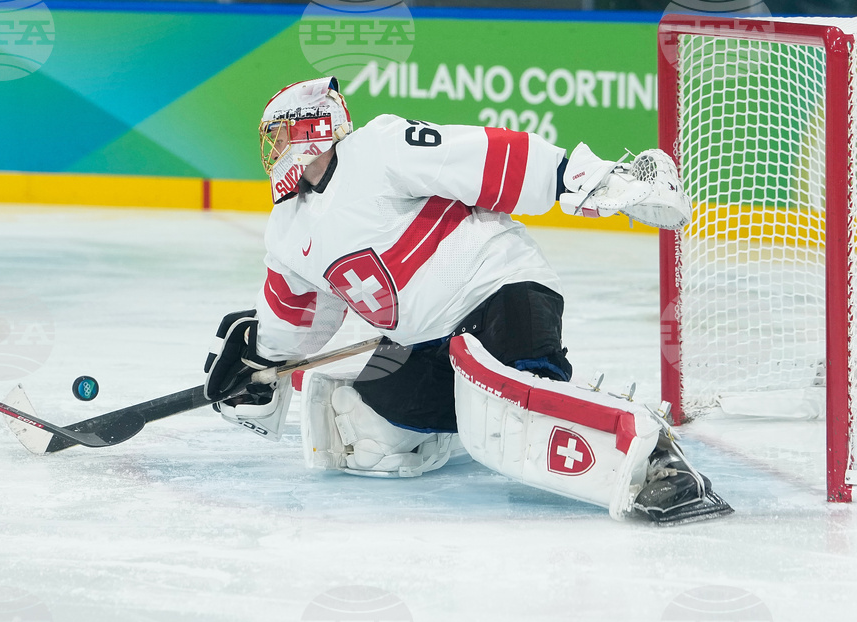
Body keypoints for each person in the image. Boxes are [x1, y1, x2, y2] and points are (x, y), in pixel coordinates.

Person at [202, 76, 730, 525]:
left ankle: (656, 459)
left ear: (311, 128)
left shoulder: (378, 148)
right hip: (420, 342)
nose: (273, 146)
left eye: (280, 132)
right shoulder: (287, 228)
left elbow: (482, 157)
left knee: (521, 404)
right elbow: (295, 319)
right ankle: (471, 423)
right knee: (361, 430)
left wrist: (583, 178)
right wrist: (262, 362)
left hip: (500, 290)